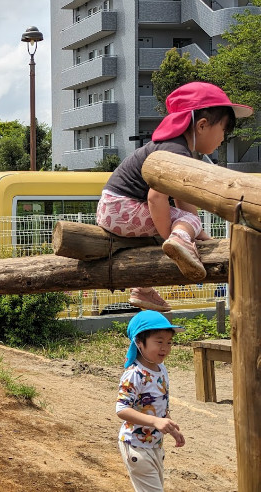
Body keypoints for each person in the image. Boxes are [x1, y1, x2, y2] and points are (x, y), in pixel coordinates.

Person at [96, 82, 253, 311]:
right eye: (223, 130)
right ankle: (179, 241)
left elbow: (182, 199)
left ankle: (143, 288)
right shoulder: (175, 152)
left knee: (183, 222)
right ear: (201, 126)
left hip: (114, 208)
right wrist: (173, 236)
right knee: (182, 224)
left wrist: (199, 235)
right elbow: (156, 198)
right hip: (123, 207)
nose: (223, 138)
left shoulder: (170, 147)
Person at [116, 310, 186, 492]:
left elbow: (160, 403)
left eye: (169, 342)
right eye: (159, 342)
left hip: (155, 444)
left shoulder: (161, 369)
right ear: (139, 342)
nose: (165, 348)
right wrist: (156, 421)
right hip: (135, 445)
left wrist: (170, 428)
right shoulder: (134, 374)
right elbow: (121, 409)